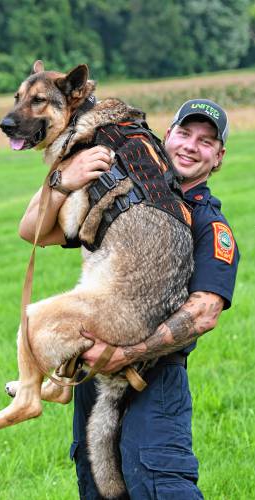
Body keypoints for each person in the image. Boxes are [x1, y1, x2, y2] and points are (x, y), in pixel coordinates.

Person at [19, 99, 239, 499]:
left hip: (154, 381)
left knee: (159, 485)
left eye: (206, 142)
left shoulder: (209, 223)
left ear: (219, 157)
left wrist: (127, 353)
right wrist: (62, 180)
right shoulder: (130, 197)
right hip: (94, 375)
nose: (191, 146)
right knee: (95, 487)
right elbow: (34, 232)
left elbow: (204, 312)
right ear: (166, 136)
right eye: (185, 134)